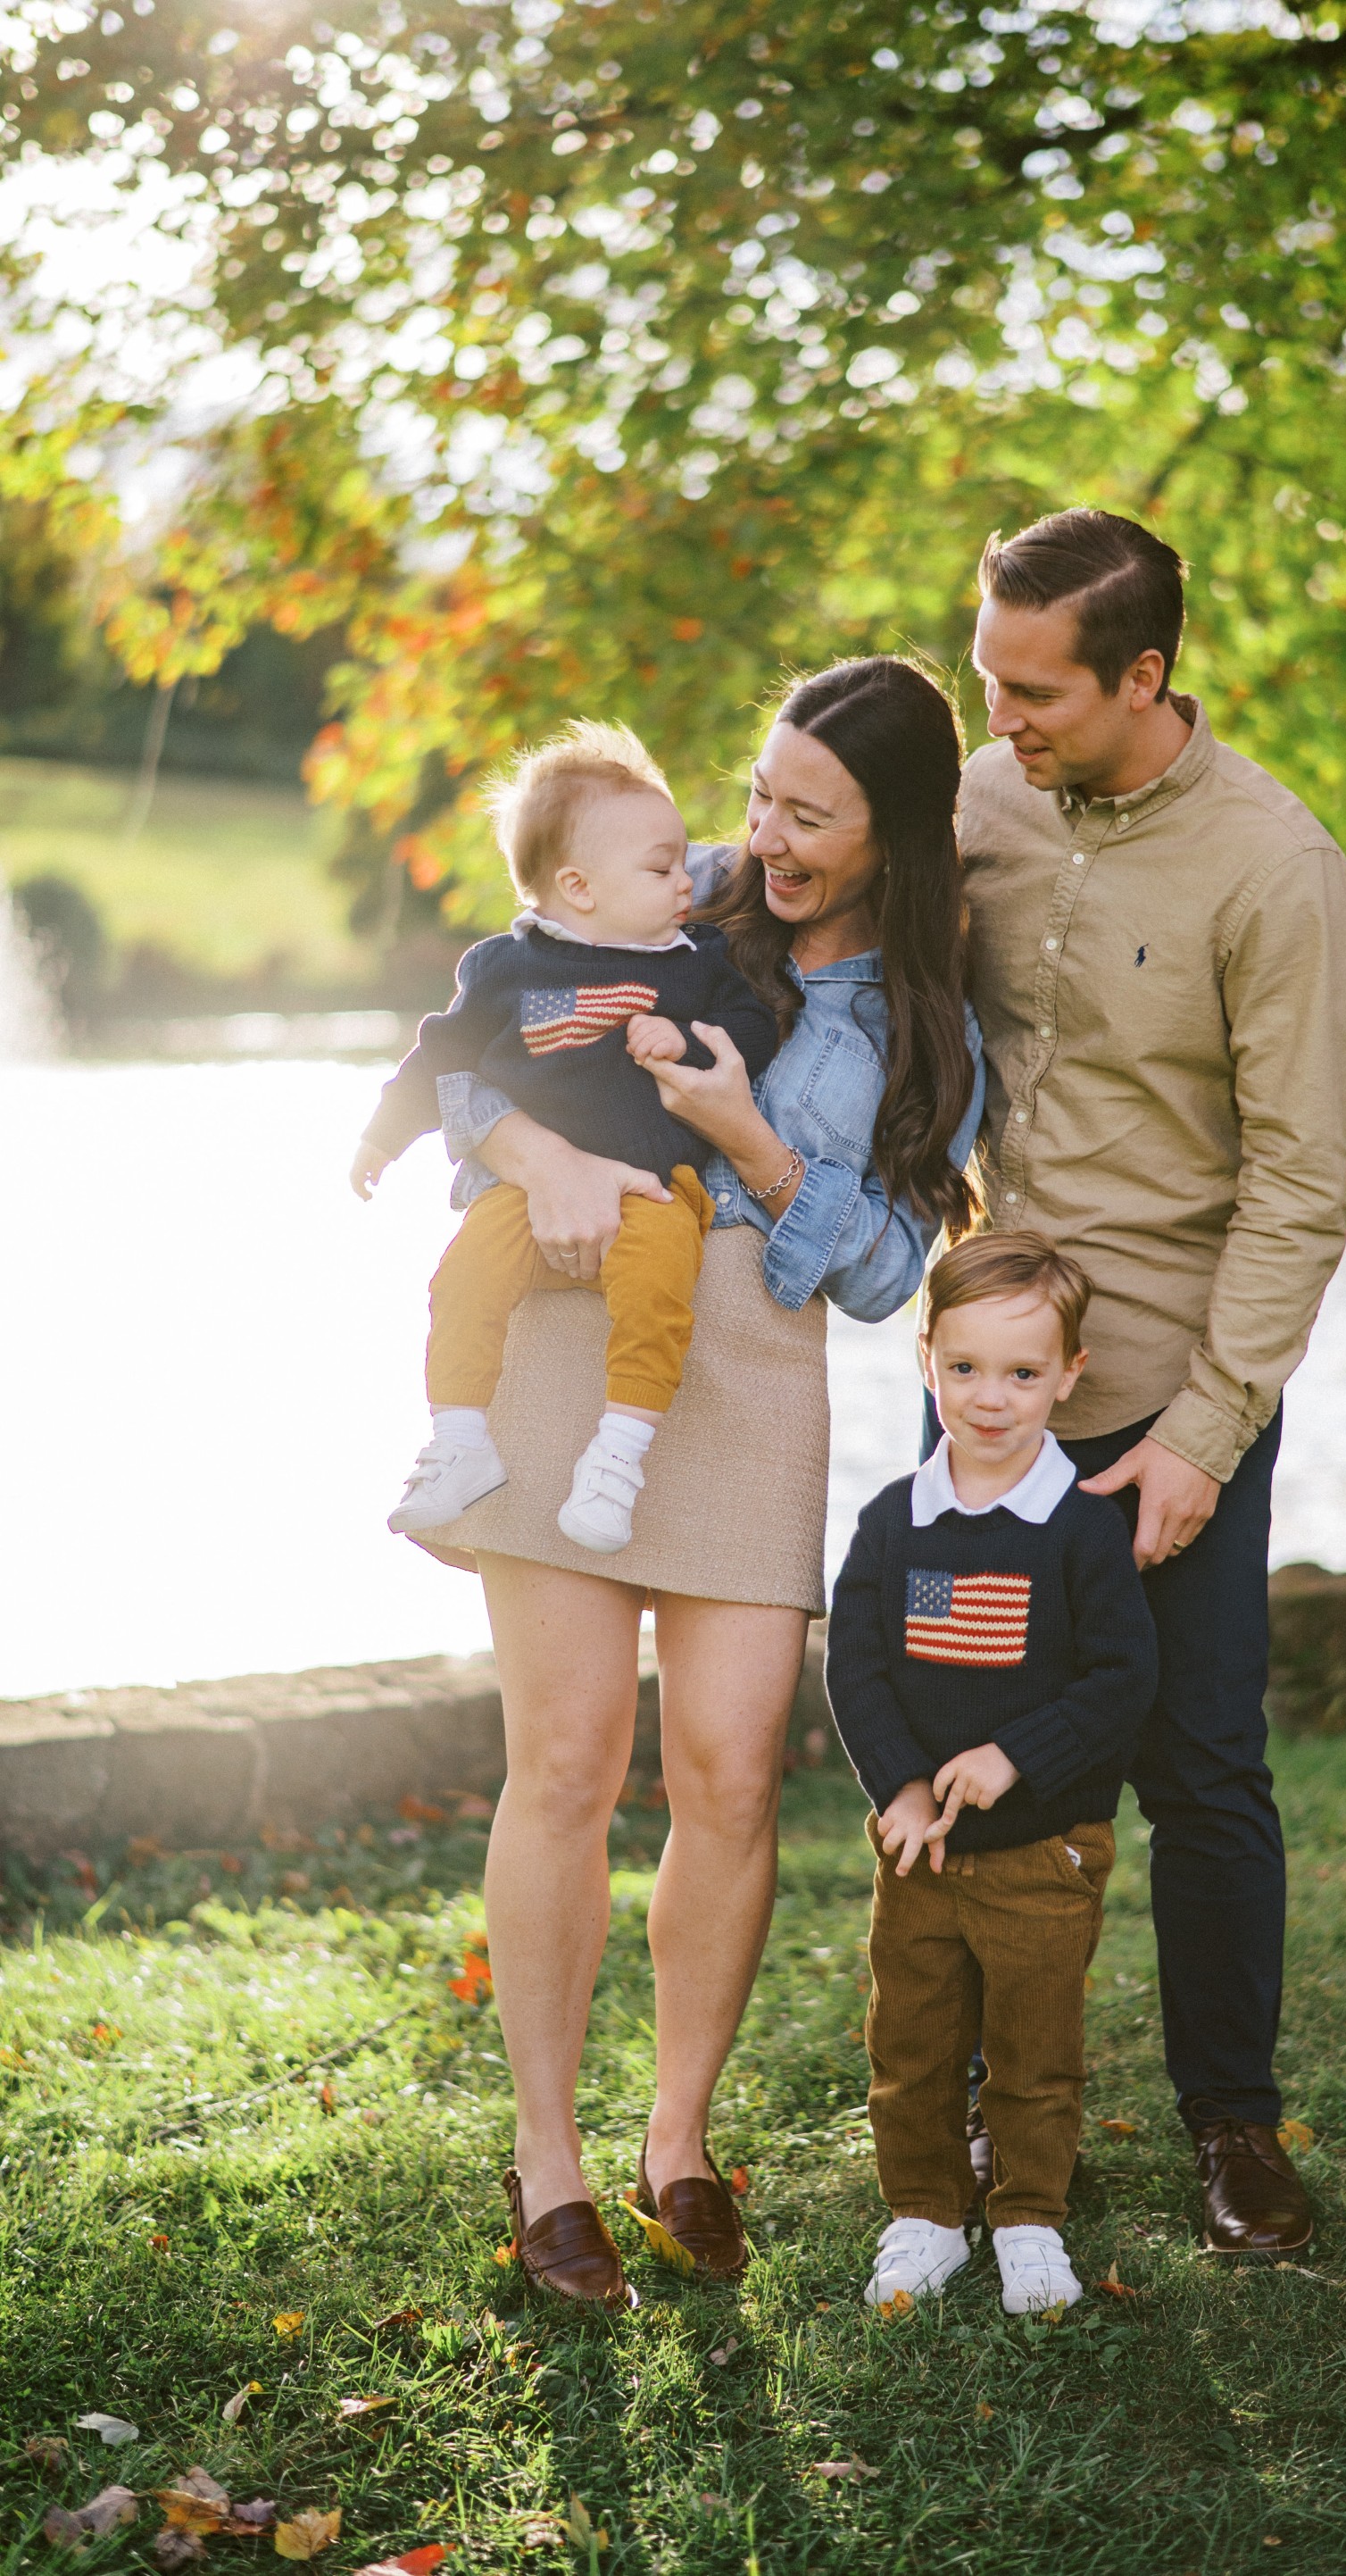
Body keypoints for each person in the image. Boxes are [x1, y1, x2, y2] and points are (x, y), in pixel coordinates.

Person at [411, 657, 985, 2306]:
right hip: (575, 1326)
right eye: (760, 796)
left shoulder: (929, 1008)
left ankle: (678, 2141)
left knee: (730, 1770)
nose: (765, 838)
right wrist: (547, 1156)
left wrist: (752, 1146)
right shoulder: (657, 895)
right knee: (571, 1756)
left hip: (753, 1373)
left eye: (812, 817)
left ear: (900, 834)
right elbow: (466, 1071)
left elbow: (882, 1274)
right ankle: (547, 2168)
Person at [958, 507, 1346, 2257]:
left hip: (1172, 1391)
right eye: (988, 677)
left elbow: (1301, 1187)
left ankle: (1235, 2127)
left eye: (1038, 688)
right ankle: (997, 2111)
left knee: (1202, 1767)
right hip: (990, 1383)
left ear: (1145, 675)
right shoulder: (976, 799)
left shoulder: (1281, 873)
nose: (1007, 716)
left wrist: (1206, 1431)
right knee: (995, 1762)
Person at [827, 1231, 1158, 2314]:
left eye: (1023, 1372)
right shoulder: (893, 1522)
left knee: (1031, 2048)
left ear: (1070, 1373)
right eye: (965, 1367)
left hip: (1041, 1853)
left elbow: (1122, 1678)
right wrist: (904, 1786)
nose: (991, 1397)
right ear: (927, 1361)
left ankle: (1027, 2218)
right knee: (911, 2043)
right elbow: (859, 1664)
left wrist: (1015, 1753)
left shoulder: (1081, 1531)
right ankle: (924, 2213)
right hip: (920, 1852)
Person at [351, 724, 778, 1554]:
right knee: (462, 1278)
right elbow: (440, 1052)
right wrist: (382, 1134)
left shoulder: (697, 963)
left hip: (657, 1187)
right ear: (578, 886)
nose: (685, 881)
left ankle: (618, 1456)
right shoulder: (505, 968)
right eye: (660, 869)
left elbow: (753, 1030)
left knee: (659, 1292)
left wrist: (683, 1041)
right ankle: (460, 1439)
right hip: (519, 1192)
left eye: (681, 858)